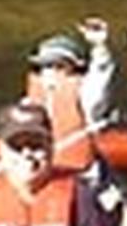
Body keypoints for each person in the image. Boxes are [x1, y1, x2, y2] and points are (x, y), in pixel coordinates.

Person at [23, 19, 116, 175]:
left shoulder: (85, 94)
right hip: (41, 173)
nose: (51, 71)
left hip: (81, 173)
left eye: (59, 66)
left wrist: (100, 47)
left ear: (75, 68)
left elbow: (100, 76)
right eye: (45, 65)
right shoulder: (29, 102)